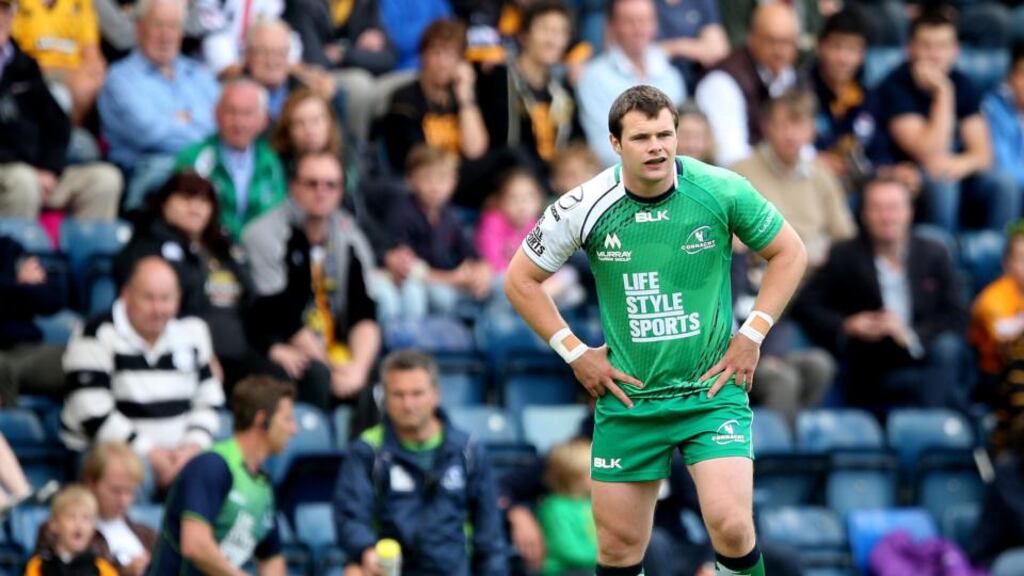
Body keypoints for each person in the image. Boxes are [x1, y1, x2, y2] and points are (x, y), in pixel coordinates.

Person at [504, 85, 808, 575]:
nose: (658, 147)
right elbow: (520, 279)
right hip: (631, 400)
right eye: (642, 137)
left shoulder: (720, 189)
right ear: (616, 143)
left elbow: (790, 252)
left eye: (666, 134)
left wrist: (752, 334)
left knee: (732, 525)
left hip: (710, 391)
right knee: (620, 549)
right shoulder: (585, 204)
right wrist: (575, 352)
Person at [793, 177, 970, 413]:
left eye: (894, 208)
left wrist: (909, 334)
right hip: (872, 361)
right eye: (877, 209)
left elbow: (956, 314)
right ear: (864, 214)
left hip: (925, 353)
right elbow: (805, 305)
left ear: (910, 211)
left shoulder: (934, 252)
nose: (887, 217)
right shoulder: (845, 254)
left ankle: (932, 431)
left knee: (950, 350)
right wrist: (848, 325)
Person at [333, 349, 507, 576]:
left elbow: (490, 536)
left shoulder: (468, 450)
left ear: (436, 394)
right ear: (385, 397)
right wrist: (366, 551)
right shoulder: (368, 451)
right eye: (398, 394)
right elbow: (351, 519)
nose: (408, 404)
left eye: (417, 393)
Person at [61, 256, 225, 489]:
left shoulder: (192, 333)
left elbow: (210, 401)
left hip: (180, 454)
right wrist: (151, 455)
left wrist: (192, 448)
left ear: (178, 298)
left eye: (166, 299)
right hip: (108, 452)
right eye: (148, 298)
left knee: (220, 467)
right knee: (130, 473)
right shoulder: (95, 333)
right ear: (126, 295)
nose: (158, 309)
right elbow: (92, 413)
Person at [112, 172, 278, 392]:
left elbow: (252, 304)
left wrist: (271, 345)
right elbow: (150, 310)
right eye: (186, 198)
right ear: (164, 203)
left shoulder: (224, 247)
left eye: (204, 200)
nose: (196, 207)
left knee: (281, 383)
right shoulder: (147, 248)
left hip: (240, 349)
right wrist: (200, 351)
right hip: (183, 352)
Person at [243, 151, 381, 413]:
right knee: (316, 375)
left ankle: (365, 452)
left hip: (335, 345)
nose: (322, 192)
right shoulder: (264, 233)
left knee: (378, 370)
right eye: (312, 183)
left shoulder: (349, 233)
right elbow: (280, 311)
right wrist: (332, 366)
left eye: (331, 185)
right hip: (279, 342)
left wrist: (358, 370)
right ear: (293, 186)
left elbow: (365, 310)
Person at [875, 9, 1018, 232]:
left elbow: (983, 154)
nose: (935, 55)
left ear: (955, 50)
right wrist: (943, 92)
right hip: (911, 179)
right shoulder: (895, 86)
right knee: (942, 183)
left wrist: (960, 164)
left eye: (943, 46)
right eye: (927, 46)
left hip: (954, 172)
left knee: (1004, 183)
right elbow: (929, 153)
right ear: (910, 48)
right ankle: (943, 257)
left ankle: (1006, 258)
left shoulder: (963, 83)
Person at [148, 375, 297, 575]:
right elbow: (195, 545)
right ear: (262, 420)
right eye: (287, 419)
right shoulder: (212, 465)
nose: (294, 429)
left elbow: (272, 558)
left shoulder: (262, 485)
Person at [0, 0, 122, 221]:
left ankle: (92, 255)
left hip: (37, 173)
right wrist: (27, 168)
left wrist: (50, 168)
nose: (1, 17)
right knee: (23, 181)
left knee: (105, 180)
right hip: (10, 172)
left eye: (5, 9)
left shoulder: (23, 64)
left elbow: (58, 124)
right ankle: (16, 255)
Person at [98, 0, 220, 211]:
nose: (166, 35)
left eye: (173, 26)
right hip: (151, 171)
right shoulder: (120, 78)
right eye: (157, 25)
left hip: (207, 165)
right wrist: (199, 123)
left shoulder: (199, 74)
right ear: (138, 29)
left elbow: (223, 123)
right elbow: (151, 135)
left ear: (181, 32)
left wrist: (176, 120)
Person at [731, 89, 856, 268]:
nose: (791, 135)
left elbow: (845, 236)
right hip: (764, 277)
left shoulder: (822, 175)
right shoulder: (740, 173)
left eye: (799, 125)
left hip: (818, 279)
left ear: (812, 130)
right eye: (782, 125)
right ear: (766, 127)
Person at [374, 145, 492, 322]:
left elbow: (472, 254)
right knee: (435, 296)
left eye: (442, 179)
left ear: (454, 181)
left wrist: (482, 271)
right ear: (410, 180)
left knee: (493, 286)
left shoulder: (450, 216)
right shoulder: (402, 211)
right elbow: (407, 266)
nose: (435, 187)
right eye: (427, 179)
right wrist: (452, 279)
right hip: (413, 284)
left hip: (444, 281)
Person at [173, 78, 287, 241]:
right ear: (216, 114)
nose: (238, 122)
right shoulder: (193, 157)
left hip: (260, 251)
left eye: (247, 113)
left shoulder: (272, 161)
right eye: (231, 112)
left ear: (263, 120)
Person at [576, 0, 685, 167]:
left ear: (655, 24)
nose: (638, 29)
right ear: (612, 26)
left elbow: (680, 135)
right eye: (629, 21)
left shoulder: (671, 76)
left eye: (644, 20)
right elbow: (602, 147)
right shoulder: (593, 78)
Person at [476, 0, 579, 177]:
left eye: (561, 32)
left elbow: (576, 142)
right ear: (523, 35)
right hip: (509, 180)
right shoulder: (499, 79)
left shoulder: (562, 89)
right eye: (545, 29)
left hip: (555, 183)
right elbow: (504, 146)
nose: (552, 40)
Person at [695, 3, 802, 167]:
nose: (780, 51)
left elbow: (802, 143)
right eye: (772, 41)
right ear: (752, 37)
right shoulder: (722, 81)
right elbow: (730, 158)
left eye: (787, 42)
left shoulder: (789, 76)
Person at [378, 18, 489, 173]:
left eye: (451, 55)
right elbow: (413, 159)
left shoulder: (463, 95)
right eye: (436, 53)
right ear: (422, 56)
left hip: (462, 177)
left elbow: (475, 151)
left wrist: (466, 98)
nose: (443, 63)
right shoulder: (404, 98)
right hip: (427, 179)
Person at [36, 442, 157, 576]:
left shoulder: (147, 534)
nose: (123, 500)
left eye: (129, 491)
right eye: (116, 490)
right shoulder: (61, 530)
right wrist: (123, 572)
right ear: (90, 483)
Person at [285, 0, 396, 142]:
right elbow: (317, 63)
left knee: (404, 83)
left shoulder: (364, 3)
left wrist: (344, 53)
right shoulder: (304, 5)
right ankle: (355, 148)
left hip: (359, 70)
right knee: (360, 84)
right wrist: (363, 53)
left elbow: (389, 58)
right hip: (314, 79)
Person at [475, 167, 584, 308]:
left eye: (528, 198)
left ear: (539, 201)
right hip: (506, 280)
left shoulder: (536, 224)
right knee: (500, 280)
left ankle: (538, 297)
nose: (522, 206)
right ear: (501, 201)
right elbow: (493, 263)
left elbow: (546, 261)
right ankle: (539, 298)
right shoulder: (493, 222)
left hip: (531, 283)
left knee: (570, 277)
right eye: (514, 199)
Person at [970, 222, 1024, 451]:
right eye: (1022, 258)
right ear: (1007, 264)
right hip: (995, 377)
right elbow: (1004, 335)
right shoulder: (994, 298)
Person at [11, 0, 105, 126]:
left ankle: (68, 137)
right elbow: (10, 51)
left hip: (72, 73)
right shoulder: (17, 4)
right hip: (31, 71)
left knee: (91, 81)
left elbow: (91, 51)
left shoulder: (80, 3)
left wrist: (91, 71)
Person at [0, 235, 67, 407]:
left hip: (28, 352)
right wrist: (22, 285)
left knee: (81, 357)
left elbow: (53, 298)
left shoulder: (9, 247)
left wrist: (11, 289)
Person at [25, 485, 118, 576]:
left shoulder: (102, 568)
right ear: (54, 524)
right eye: (71, 517)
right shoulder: (38, 566)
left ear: (93, 527)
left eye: (86, 518)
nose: (79, 524)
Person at [536, 437, 598, 576]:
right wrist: (607, 557)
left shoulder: (592, 503)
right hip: (566, 570)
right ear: (573, 476)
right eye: (592, 471)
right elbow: (567, 550)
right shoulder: (555, 507)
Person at [982, 42, 1024, 201]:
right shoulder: (991, 108)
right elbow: (1002, 164)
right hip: (1009, 194)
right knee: (1006, 183)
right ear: (1011, 76)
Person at [269, 87, 343, 178]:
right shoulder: (275, 167)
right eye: (299, 123)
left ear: (329, 123)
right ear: (288, 131)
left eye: (316, 121)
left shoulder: (349, 162)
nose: (309, 130)